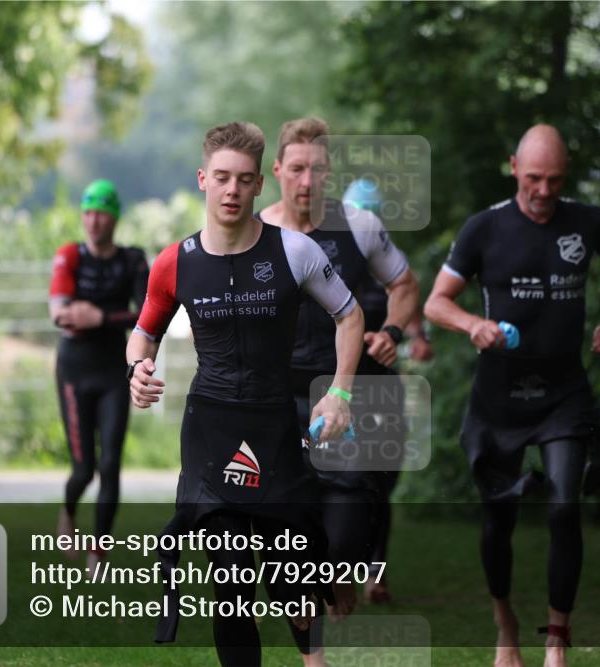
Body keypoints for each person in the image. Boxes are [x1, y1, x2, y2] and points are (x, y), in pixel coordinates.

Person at [127, 122, 364, 667]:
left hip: (275, 430)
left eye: (244, 181)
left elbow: (349, 315)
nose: (232, 191)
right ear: (203, 180)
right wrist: (138, 368)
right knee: (232, 590)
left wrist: (341, 393)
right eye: (222, 179)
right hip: (210, 436)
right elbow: (145, 333)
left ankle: (314, 652)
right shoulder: (174, 262)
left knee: (292, 576)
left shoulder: (296, 252)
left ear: (260, 185)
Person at [424, 125, 600, 667]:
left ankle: (557, 639)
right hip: (499, 398)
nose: (544, 190)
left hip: (564, 393)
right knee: (499, 522)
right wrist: (472, 324)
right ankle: (505, 626)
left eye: (555, 180)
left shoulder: (589, 222)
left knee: (565, 507)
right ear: (514, 166)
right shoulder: (484, 229)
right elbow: (435, 303)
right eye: (534, 178)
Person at [256, 119, 419, 641]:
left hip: (343, 393)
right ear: (278, 170)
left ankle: (336, 575)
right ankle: (314, 607)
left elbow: (405, 283)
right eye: (297, 169)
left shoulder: (359, 225)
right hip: (278, 398)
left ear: (330, 173)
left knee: (348, 528)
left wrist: (392, 329)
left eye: (318, 170)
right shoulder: (254, 231)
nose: (307, 180)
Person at [48, 178, 149, 575]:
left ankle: (98, 553)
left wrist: (99, 317)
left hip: (113, 371)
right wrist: (97, 317)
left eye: (101, 213)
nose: (93, 221)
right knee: (83, 469)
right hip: (73, 371)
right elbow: (59, 313)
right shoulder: (70, 255)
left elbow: (146, 314)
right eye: (87, 212)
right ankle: (68, 510)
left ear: (114, 218)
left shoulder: (132, 260)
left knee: (111, 465)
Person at [341, 178, 434, 604]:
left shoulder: (390, 264)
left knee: (383, 480)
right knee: (346, 480)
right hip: (341, 384)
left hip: (383, 384)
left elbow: (410, 304)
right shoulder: (332, 263)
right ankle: (341, 567)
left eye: (371, 215)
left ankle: (376, 571)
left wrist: (417, 338)